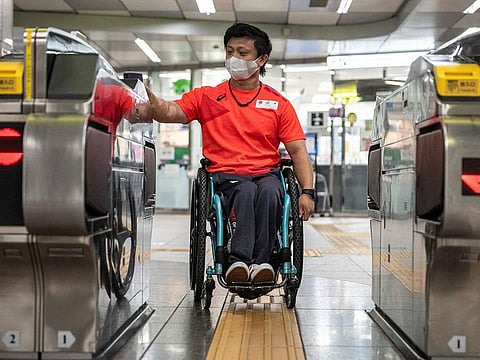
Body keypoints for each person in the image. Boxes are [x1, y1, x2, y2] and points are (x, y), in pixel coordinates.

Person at [146, 22, 314, 284]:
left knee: (271, 192)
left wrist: (307, 192)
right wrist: (151, 104)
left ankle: (264, 263)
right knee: (245, 191)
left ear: (262, 59)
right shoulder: (208, 97)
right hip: (225, 175)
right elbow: (171, 111)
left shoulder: (278, 104)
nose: (234, 58)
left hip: (267, 174)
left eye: (243, 53)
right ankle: (238, 261)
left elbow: (297, 150)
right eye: (230, 51)